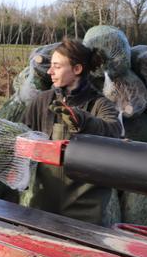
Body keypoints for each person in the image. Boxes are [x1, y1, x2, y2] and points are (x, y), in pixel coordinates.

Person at [22, 37, 122, 225]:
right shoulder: (42, 101)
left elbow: (114, 130)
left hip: (86, 212)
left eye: (57, 66)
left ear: (77, 69)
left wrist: (84, 120)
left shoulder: (100, 104)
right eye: (51, 66)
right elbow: (22, 135)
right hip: (43, 204)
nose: (50, 71)